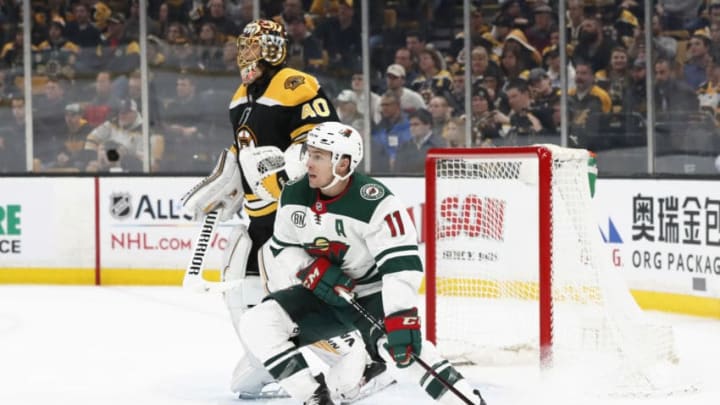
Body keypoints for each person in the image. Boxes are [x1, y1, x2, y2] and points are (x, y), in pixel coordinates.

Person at [180, 19, 385, 401]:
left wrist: (285, 167)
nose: (246, 54)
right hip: (259, 221)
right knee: (242, 298)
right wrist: (230, 184)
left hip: (296, 223)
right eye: (244, 45)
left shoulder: (297, 85)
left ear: (272, 49)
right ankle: (276, 366)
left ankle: (364, 362)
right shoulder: (239, 98)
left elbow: (326, 144)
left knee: (298, 300)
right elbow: (247, 160)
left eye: (254, 46)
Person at [238, 121, 487, 405]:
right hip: (320, 295)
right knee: (257, 322)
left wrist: (399, 316)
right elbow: (283, 246)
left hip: (371, 296)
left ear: (343, 164)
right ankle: (314, 398)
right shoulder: (294, 195)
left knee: (407, 353)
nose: (308, 162)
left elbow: (401, 267)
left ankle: (469, 401)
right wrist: (309, 270)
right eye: (309, 153)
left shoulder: (377, 203)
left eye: (318, 156)